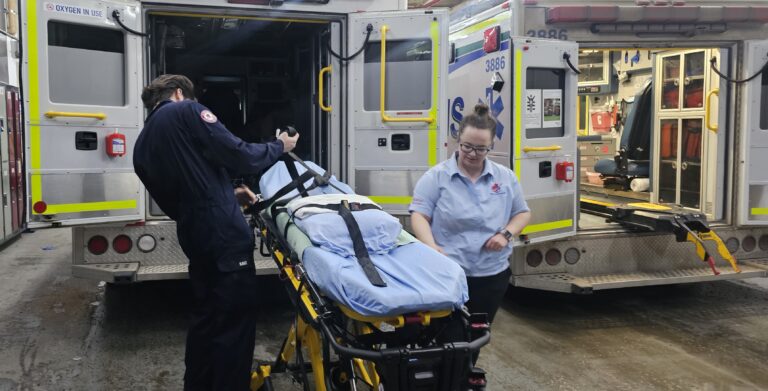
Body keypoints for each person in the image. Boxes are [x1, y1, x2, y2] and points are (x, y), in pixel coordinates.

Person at [133, 74, 299, 391]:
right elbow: (239, 154)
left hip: (195, 234)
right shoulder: (185, 111)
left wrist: (226, 194)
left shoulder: (142, 145)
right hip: (224, 237)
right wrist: (281, 145)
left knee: (206, 320)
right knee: (235, 324)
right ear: (180, 93)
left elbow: (182, 193)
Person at [409, 103, 531, 355]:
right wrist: (431, 247)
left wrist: (506, 234)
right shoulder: (437, 177)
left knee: (475, 337)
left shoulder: (505, 178)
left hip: (491, 276)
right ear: (457, 141)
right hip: (448, 274)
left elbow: (522, 212)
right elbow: (419, 215)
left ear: (491, 146)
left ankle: (464, 376)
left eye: (481, 148)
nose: (473, 154)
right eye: (467, 146)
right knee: (447, 337)